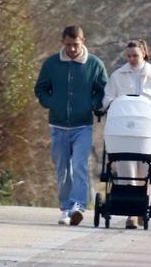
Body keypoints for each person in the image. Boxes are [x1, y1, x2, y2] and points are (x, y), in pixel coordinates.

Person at [34, 26, 108, 226]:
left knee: (80, 166)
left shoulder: (94, 64)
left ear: (83, 41)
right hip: (57, 125)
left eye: (76, 45)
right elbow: (40, 88)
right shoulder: (52, 64)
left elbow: (103, 91)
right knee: (62, 169)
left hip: (82, 125)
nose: (72, 49)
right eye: (68, 45)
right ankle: (65, 209)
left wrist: (91, 105)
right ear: (62, 42)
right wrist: (51, 102)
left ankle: (78, 206)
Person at [102, 39, 151, 229]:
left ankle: (144, 206)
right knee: (126, 170)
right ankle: (131, 213)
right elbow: (107, 96)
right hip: (123, 130)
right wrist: (111, 103)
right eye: (129, 56)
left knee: (146, 170)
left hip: (147, 131)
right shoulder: (118, 76)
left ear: (144, 55)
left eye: (136, 55)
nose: (132, 59)